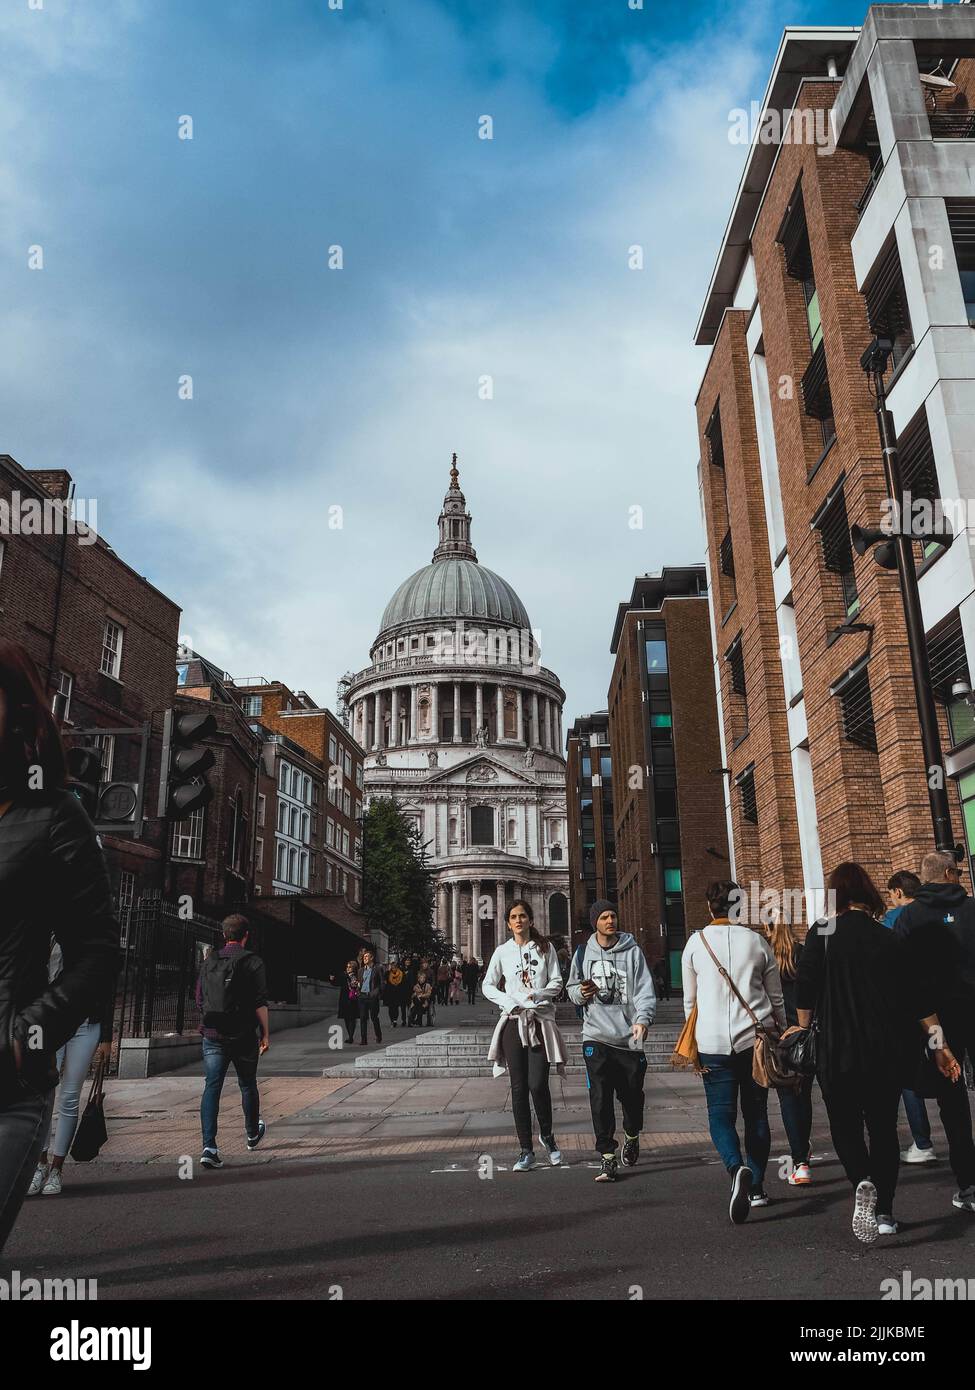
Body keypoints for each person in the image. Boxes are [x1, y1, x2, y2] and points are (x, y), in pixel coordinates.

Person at [0, 640, 120, 1253]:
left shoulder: (53, 817)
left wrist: (29, 1033)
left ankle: (52, 1160)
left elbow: (97, 950)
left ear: (16, 713)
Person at [793, 862, 952, 1243]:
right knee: (882, 1129)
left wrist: (802, 1027)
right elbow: (919, 1000)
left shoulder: (823, 932)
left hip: (836, 1050)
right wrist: (941, 1046)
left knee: (844, 1125)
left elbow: (805, 987)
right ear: (869, 893)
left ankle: (862, 1180)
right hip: (884, 1050)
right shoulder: (889, 936)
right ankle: (885, 1213)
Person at [681, 881, 786, 1224]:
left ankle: (734, 1166)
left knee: (720, 1115)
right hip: (754, 1041)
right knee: (757, 1114)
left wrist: (695, 1042)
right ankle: (756, 1188)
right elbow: (776, 997)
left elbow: (690, 1003)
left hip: (712, 1042)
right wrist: (782, 1032)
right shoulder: (757, 942)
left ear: (709, 907)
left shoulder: (695, 944)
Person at [892, 850, 975, 1216]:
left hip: (937, 1023)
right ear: (949, 873)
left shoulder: (909, 918)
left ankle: (969, 1183)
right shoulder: (972, 908)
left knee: (952, 1102)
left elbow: (902, 978)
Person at [567, 900, 656, 1182]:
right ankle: (607, 1157)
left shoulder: (633, 952)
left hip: (629, 1038)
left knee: (632, 1097)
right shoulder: (583, 953)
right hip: (595, 1037)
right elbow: (572, 989)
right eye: (604, 917)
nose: (610, 921)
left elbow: (644, 991)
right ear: (595, 922)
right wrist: (581, 993)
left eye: (613, 916)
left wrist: (643, 1020)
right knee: (600, 1098)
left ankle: (632, 1134)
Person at [483, 901, 567, 1171]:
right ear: (508, 923)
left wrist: (538, 994)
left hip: (539, 1021)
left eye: (522, 916)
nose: (518, 920)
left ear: (530, 920)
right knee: (518, 1087)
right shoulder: (502, 952)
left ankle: (548, 1137)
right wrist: (508, 1002)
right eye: (513, 917)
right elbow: (487, 985)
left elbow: (557, 981)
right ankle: (526, 1150)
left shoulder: (545, 947)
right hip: (513, 1022)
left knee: (538, 1084)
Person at [27, 938, 115, 1197]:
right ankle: (39, 1165)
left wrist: (107, 1037)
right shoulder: (45, 938)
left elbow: (106, 987)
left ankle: (57, 1168)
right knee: (43, 1094)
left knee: (69, 1097)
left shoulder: (93, 939)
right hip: (50, 1023)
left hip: (86, 1026)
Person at [197, 914, 270, 1169]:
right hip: (244, 1035)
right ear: (246, 935)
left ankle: (209, 1147)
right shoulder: (253, 962)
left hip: (213, 1035)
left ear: (223, 935)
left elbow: (199, 999)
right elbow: (260, 1002)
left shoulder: (209, 962)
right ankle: (252, 1134)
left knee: (212, 1086)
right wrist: (265, 1034)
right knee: (247, 1084)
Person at [883, 871, 937, 1164]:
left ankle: (923, 1143)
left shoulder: (892, 920)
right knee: (947, 1067)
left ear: (898, 892)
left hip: (907, 1010)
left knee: (909, 1076)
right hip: (942, 1005)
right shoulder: (934, 913)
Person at [762, 915, 815, 1187]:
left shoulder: (765, 955)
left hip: (780, 1038)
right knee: (803, 1095)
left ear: (768, 927)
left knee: (788, 1098)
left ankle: (800, 1160)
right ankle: (803, 1151)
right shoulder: (803, 953)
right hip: (806, 1036)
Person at [357, 948, 385, 1045]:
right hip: (362, 996)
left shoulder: (377, 969)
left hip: (372, 996)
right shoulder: (360, 970)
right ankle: (363, 1039)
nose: (364, 958)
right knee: (363, 1018)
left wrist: (377, 993)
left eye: (366, 956)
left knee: (374, 1017)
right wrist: (358, 992)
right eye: (364, 957)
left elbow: (382, 983)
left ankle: (378, 1036)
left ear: (371, 958)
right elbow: (359, 983)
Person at [337, 960, 360, 1044]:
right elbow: (337, 983)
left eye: (350, 967)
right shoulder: (344, 975)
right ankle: (350, 1036)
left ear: (354, 968)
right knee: (346, 1018)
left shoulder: (356, 976)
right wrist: (332, 979)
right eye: (347, 967)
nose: (348, 968)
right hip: (344, 999)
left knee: (352, 1018)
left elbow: (356, 986)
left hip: (353, 999)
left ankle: (351, 1037)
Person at [384, 957, 407, 1028]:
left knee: (396, 1007)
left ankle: (396, 1020)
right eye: (392, 966)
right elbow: (385, 982)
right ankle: (392, 1020)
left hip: (399, 993)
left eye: (395, 966)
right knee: (391, 1007)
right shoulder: (387, 973)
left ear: (397, 967)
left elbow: (404, 983)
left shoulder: (401, 973)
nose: (393, 967)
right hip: (390, 993)